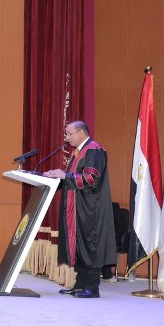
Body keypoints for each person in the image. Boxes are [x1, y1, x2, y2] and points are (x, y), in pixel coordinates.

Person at [44, 121, 115, 298]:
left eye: (69, 134)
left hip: (90, 207)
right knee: (79, 247)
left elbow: (91, 178)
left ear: (81, 132)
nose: (66, 138)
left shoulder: (94, 150)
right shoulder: (80, 151)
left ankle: (92, 287)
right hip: (78, 207)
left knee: (89, 246)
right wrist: (56, 176)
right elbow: (75, 177)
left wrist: (65, 175)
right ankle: (80, 284)